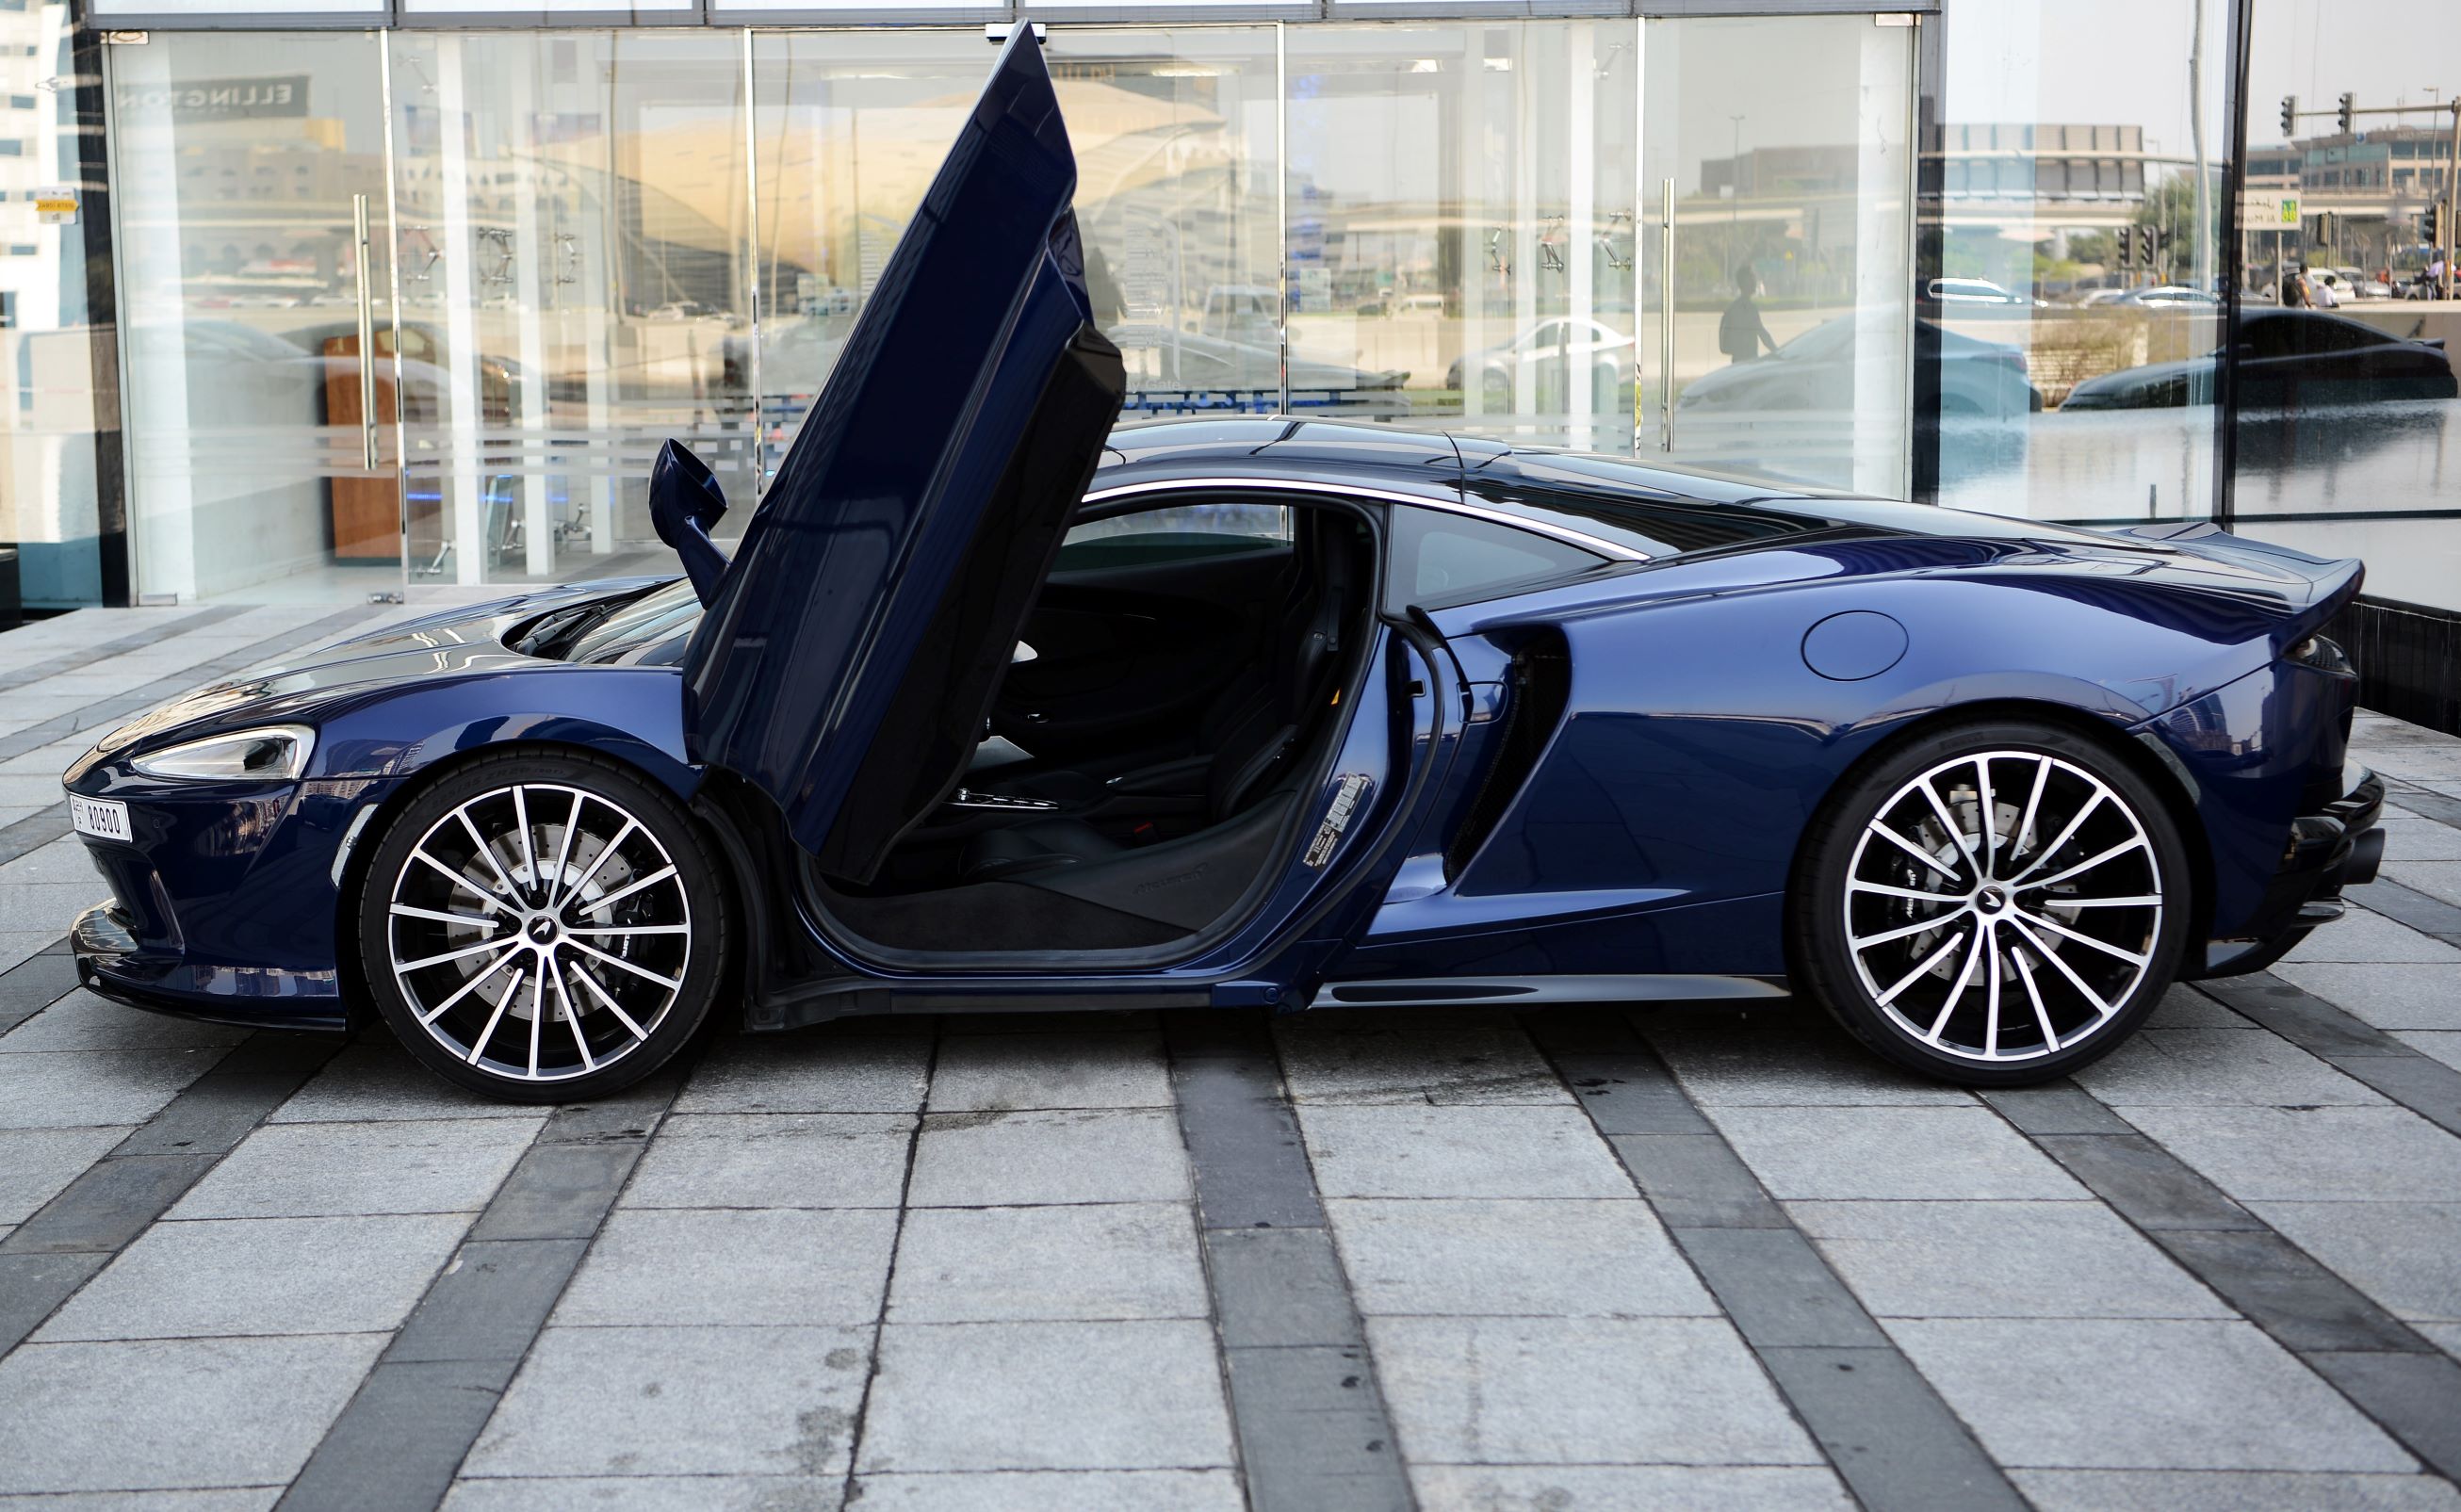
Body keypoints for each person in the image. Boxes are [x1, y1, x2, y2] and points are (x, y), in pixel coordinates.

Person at [1719, 266, 1778, 365]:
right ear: (1744, 283)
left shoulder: (1733, 308)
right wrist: (1777, 353)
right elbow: (1763, 334)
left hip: (1738, 362)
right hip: (1748, 362)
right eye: (1752, 278)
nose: (1754, 282)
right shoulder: (1748, 308)